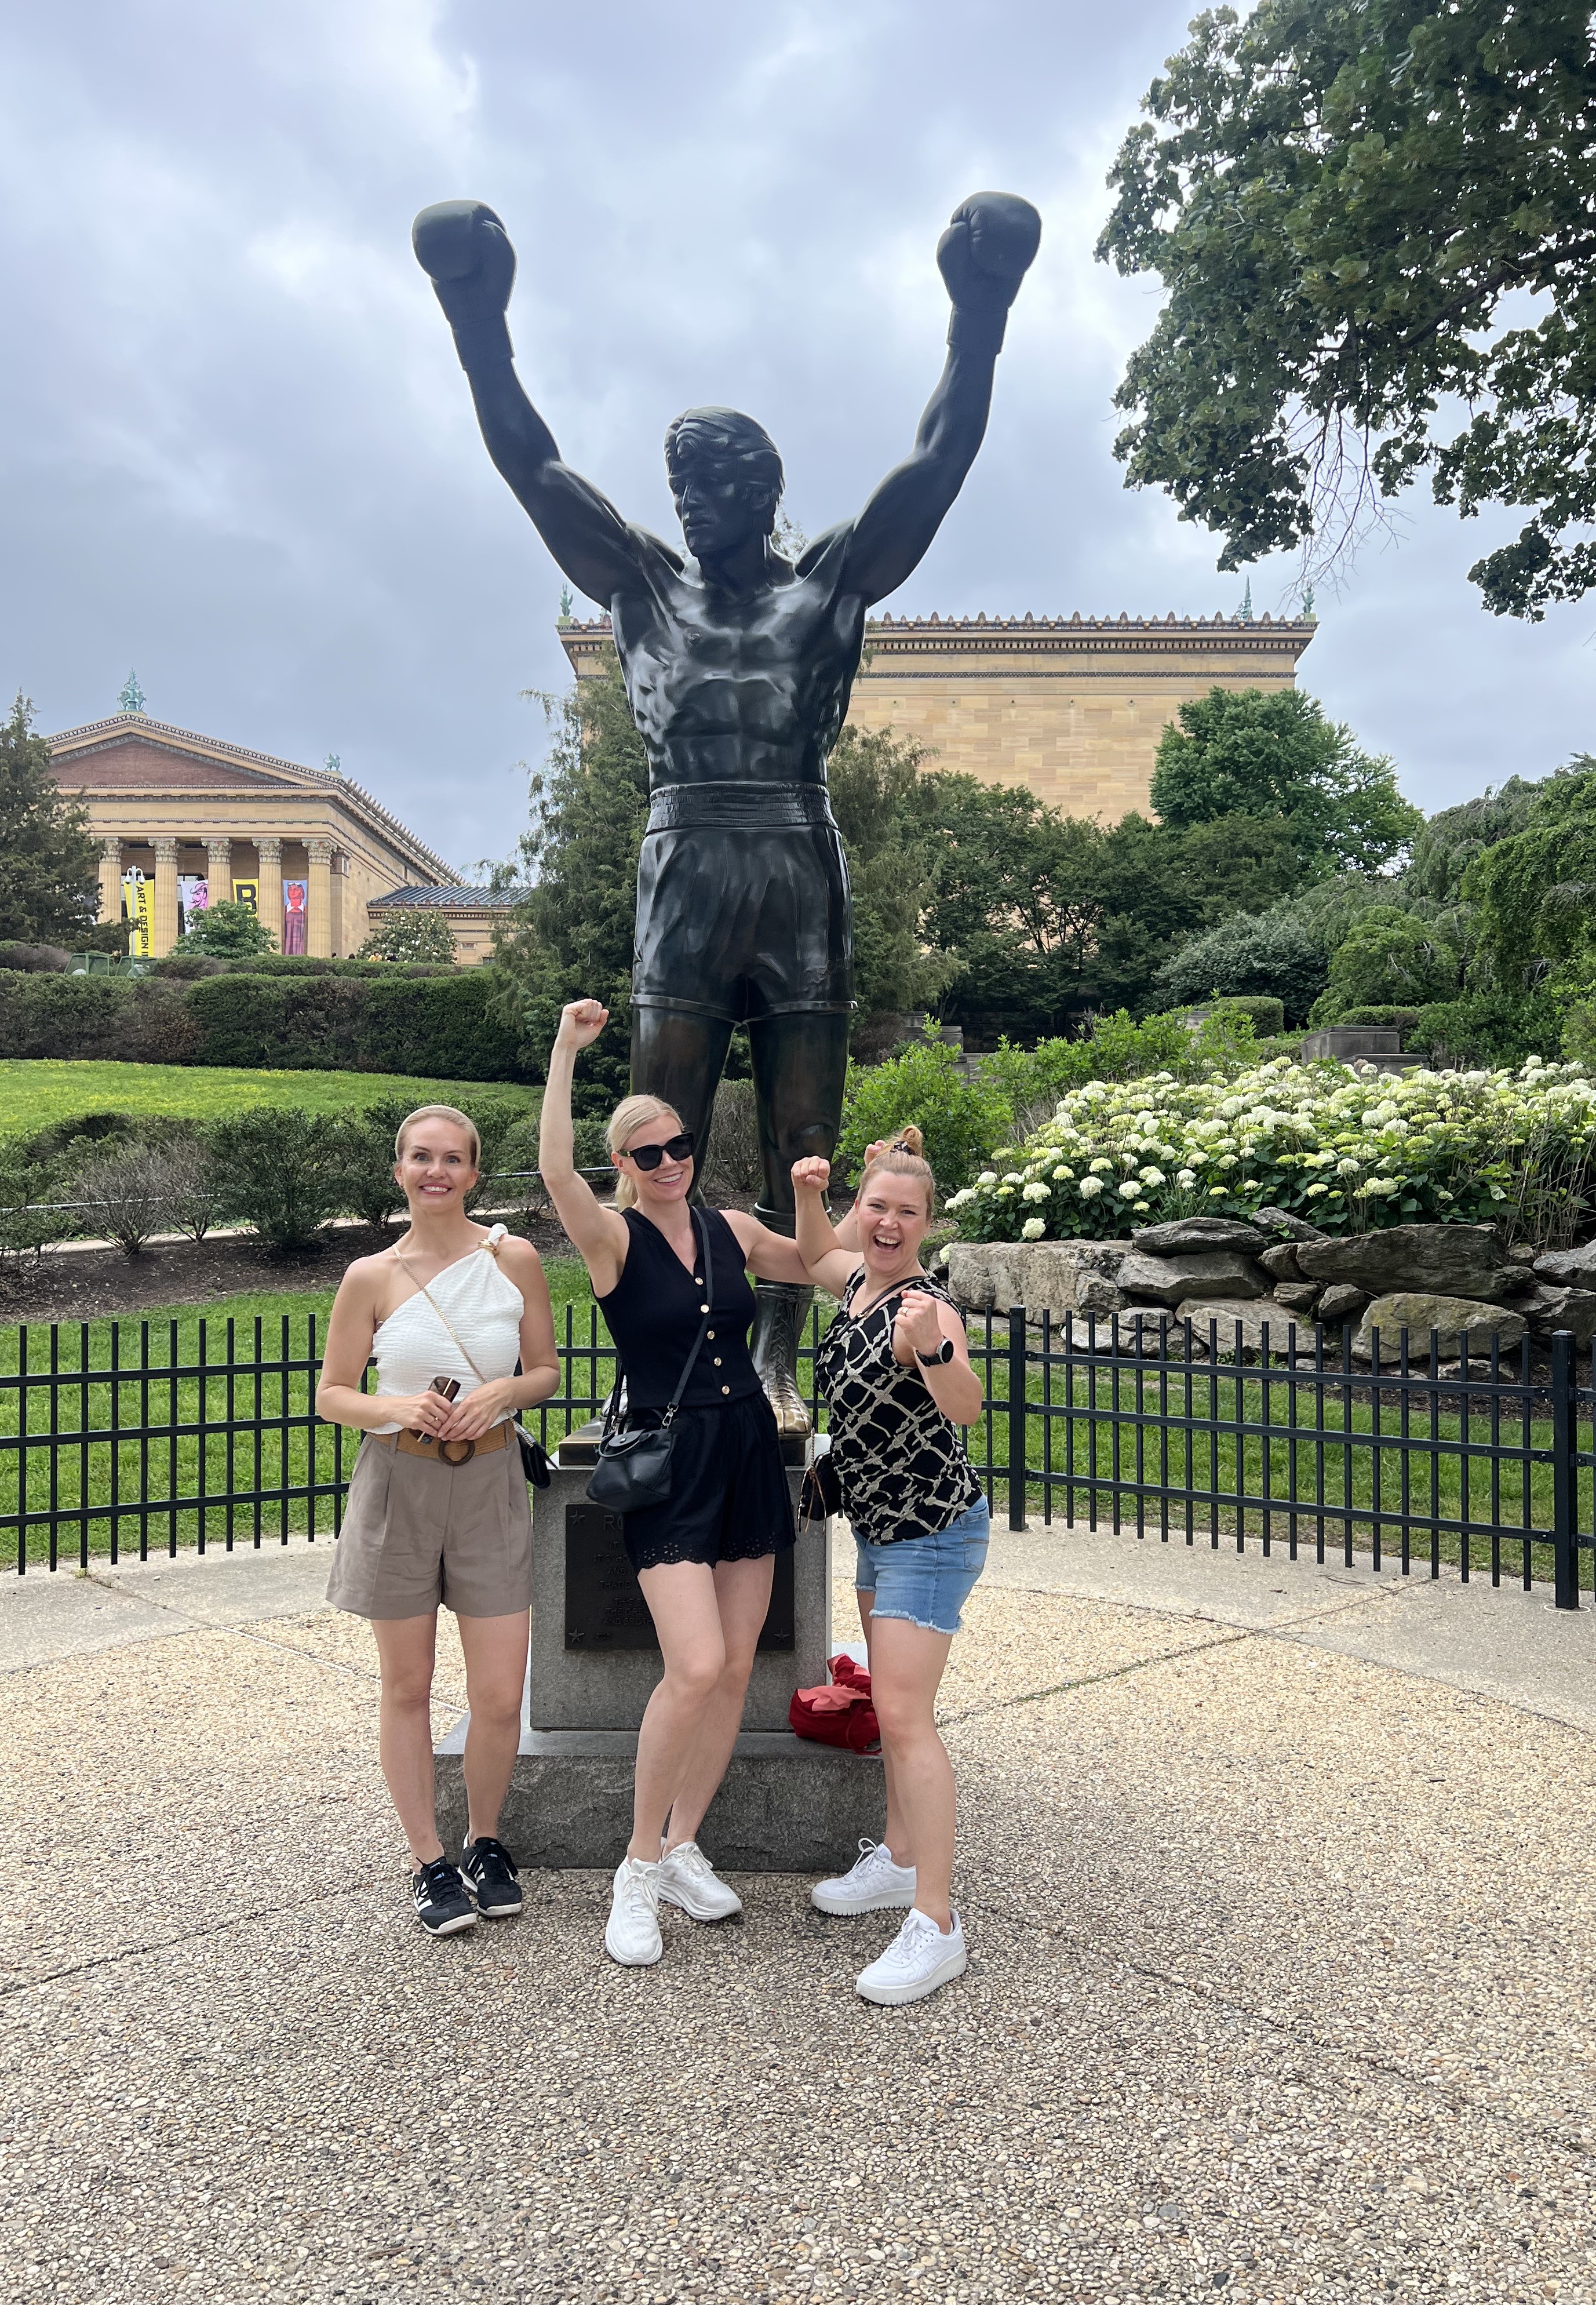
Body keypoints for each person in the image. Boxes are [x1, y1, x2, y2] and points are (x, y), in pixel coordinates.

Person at [411, 188, 1038, 1435]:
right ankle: (658, 1371)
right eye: (681, 485)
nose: (693, 504)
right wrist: (475, 312)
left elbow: (938, 464)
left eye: (716, 485)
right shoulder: (642, 585)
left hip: (798, 854)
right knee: (659, 1131)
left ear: (766, 491)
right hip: (685, 854)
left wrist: (980, 314)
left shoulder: (834, 585)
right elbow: (530, 462)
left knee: (808, 1133)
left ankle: (776, 1366)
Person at [541, 998, 819, 1968]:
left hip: (744, 1445)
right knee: (694, 1666)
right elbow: (550, 1171)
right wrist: (567, 1053)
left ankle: (683, 1844)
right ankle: (635, 1869)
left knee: (736, 1669)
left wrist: (828, 1191)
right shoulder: (613, 1240)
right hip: (668, 1459)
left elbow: (823, 1264)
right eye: (649, 1153)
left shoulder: (734, 1226)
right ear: (624, 1164)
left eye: (680, 1145)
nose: (669, 1162)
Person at [316, 1108, 559, 1937]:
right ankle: (429, 1861)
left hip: (490, 1478)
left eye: (453, 1159)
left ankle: (485, 1840)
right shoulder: (370, 1277)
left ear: (474, 1174)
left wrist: (499, 1393)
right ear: (399, 1171)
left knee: (497, 1693)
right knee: (408, 1685)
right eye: (422, 1157)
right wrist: (396, 1406)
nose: (437, 1172)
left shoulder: (512, 1259)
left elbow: (546, 1372)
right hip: (399, 1482)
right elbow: (332, 1394)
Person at [791, 1145, 986, 2007]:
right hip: (880, 1528)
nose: (887, 1223)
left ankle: (936, 1926)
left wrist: (932, 1355)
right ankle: (900, 1863)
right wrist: (810, 1195)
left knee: (906, 1719)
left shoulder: (923, 1305)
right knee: (895, 1709)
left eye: (906, 1213)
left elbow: (967, 1406)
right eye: (876, 1206)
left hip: (931, 1533)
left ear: (928, 1224)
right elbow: (811, 1253)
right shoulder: (858, 1286)